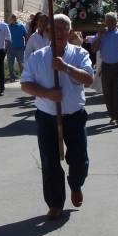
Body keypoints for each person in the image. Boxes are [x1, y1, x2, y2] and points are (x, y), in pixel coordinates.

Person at [20, 14, 94, 220]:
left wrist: (66, 68)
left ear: (70, 32)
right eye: (55, 29)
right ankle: (55, 203)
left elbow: (88, 79)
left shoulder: (79, 54)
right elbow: (25, 84)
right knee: (49, 161)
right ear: (47, 32)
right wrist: (47, 94)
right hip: (47, 116)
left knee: (79, 158)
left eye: (64, 29)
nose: (59, 33)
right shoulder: (38, 57)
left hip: (74, 115)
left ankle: (76, 183)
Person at [6, 13, 26, 81]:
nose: (11, 20)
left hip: (20, 48)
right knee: (10, 63)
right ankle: (12, 76)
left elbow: (25, 35)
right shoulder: (7, 27)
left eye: (13, 18)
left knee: (21, 62)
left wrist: (26, 45)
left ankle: (23, 77)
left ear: (15, 19)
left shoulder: (21, 26)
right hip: (10, 48)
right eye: (10, 19)